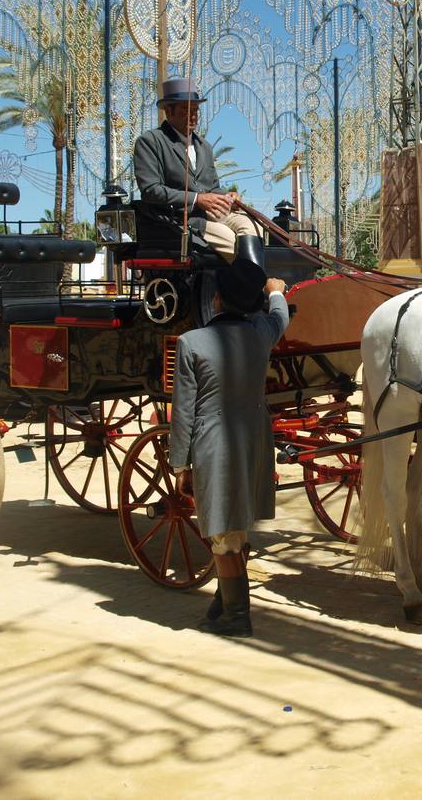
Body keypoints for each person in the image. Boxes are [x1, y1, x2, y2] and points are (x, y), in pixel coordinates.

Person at [169, 268, 291, 637]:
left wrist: (179, 464)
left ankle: (238, 616)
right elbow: (280, 317)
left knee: (223, 536)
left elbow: (183, 412)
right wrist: (275, 292)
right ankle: (224, 605)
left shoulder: (191, 343)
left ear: (216, 300)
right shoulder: (261, 334)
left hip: (213, 445)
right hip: (254, 441)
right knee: (236, 527)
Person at [133, 77, 262, 264]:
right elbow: (151, 191)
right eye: (186, 110)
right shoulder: (151, 142)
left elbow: (212, 188)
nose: (193, 116)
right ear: (169, 111)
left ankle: (254, 284)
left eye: (195, 110)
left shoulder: (204, 147)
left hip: (212, 214)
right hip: (178, 220)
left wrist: (227, 197)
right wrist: (197, 200)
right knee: (231, 240)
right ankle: (255, 288)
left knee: (253, 226)